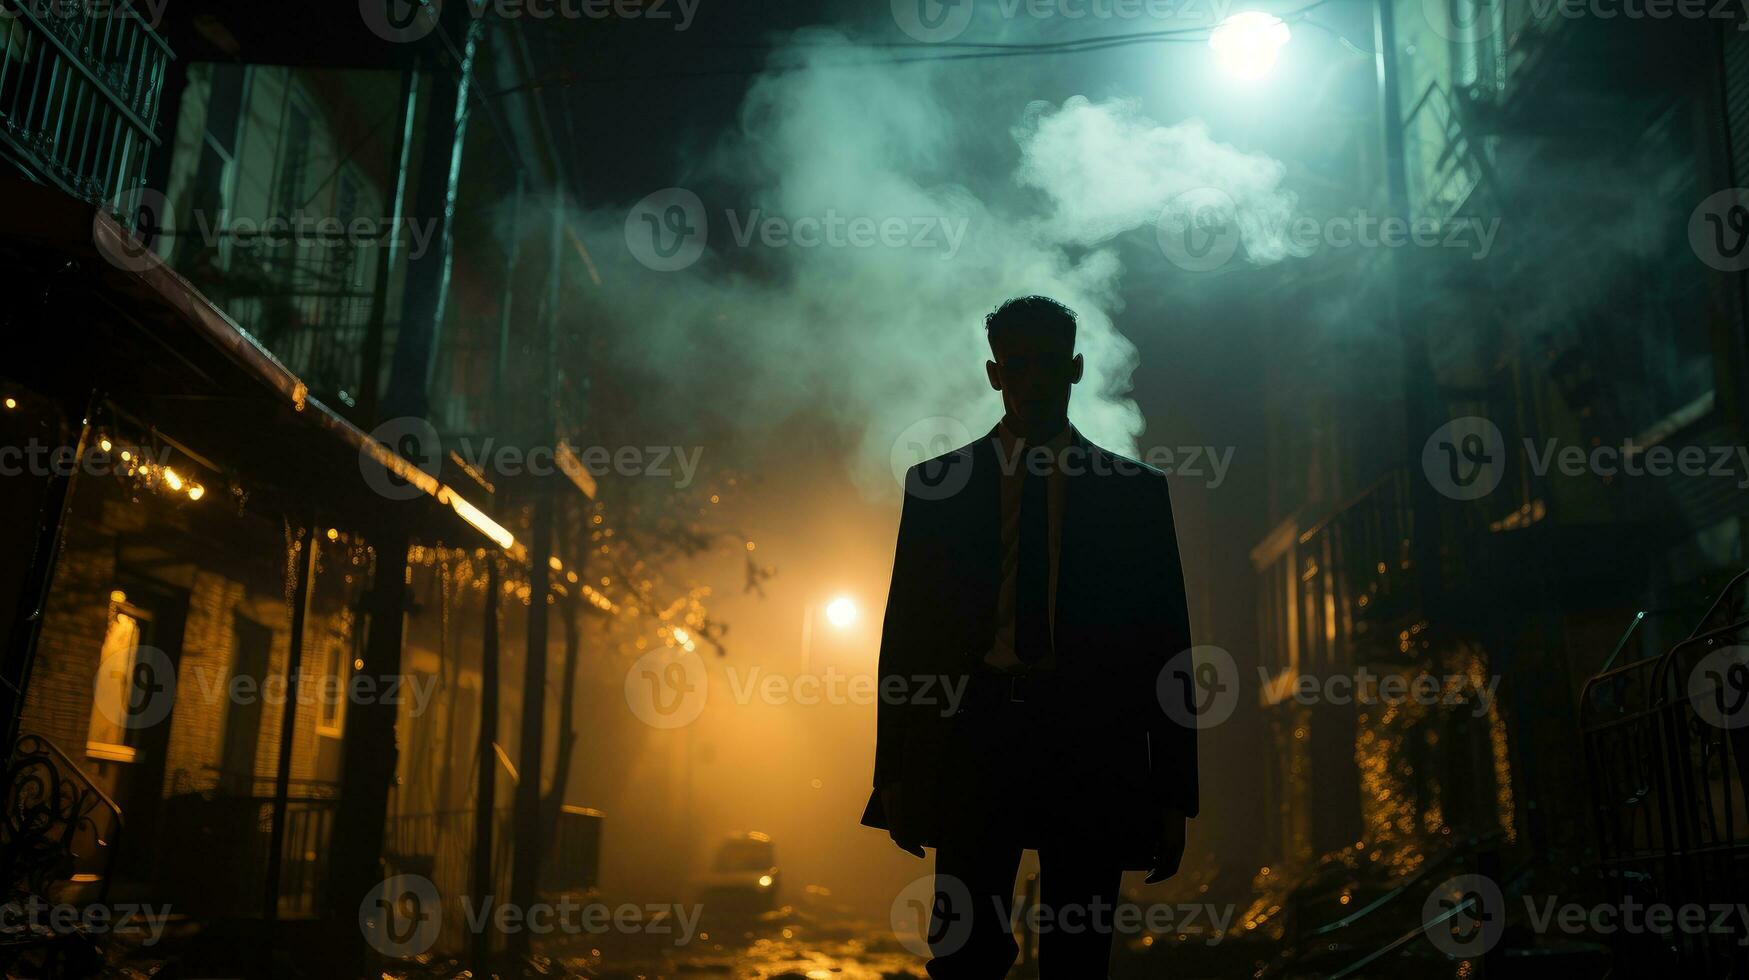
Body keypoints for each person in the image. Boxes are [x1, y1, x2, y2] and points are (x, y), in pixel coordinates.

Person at [862, 295, 1200, 978]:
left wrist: (1172, 794)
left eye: (1047, 364)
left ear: (1074, 368)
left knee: (1077, 961)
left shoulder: (1133, 495)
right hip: (976, 735)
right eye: (1019, 366)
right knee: (963, 956)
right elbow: (906, 638)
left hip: (1087, 741)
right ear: (995, 374)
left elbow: (1166, 650)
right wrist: (891, 774)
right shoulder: (937, 488)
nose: (1033, 380)